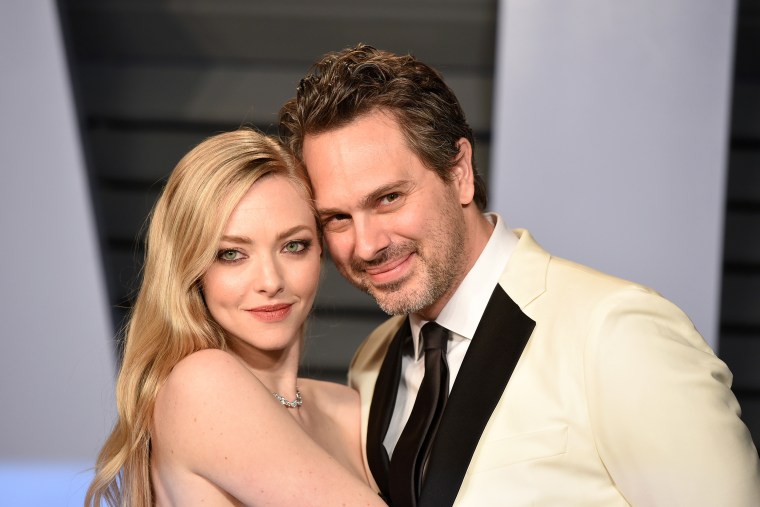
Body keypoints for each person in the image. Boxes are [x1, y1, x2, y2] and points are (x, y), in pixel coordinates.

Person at [279, 44, 760, 506]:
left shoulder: (617, 331)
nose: (367, 245)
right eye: (337, 218)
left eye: (389, 198)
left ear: (460, 170)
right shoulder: (373, 360)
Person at [85, 129, 386, 506]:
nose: (270, 281)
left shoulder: (345, 408)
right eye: (232, 254)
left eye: (293, 246)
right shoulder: (203, 384)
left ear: (320, 250)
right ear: (193, 269)